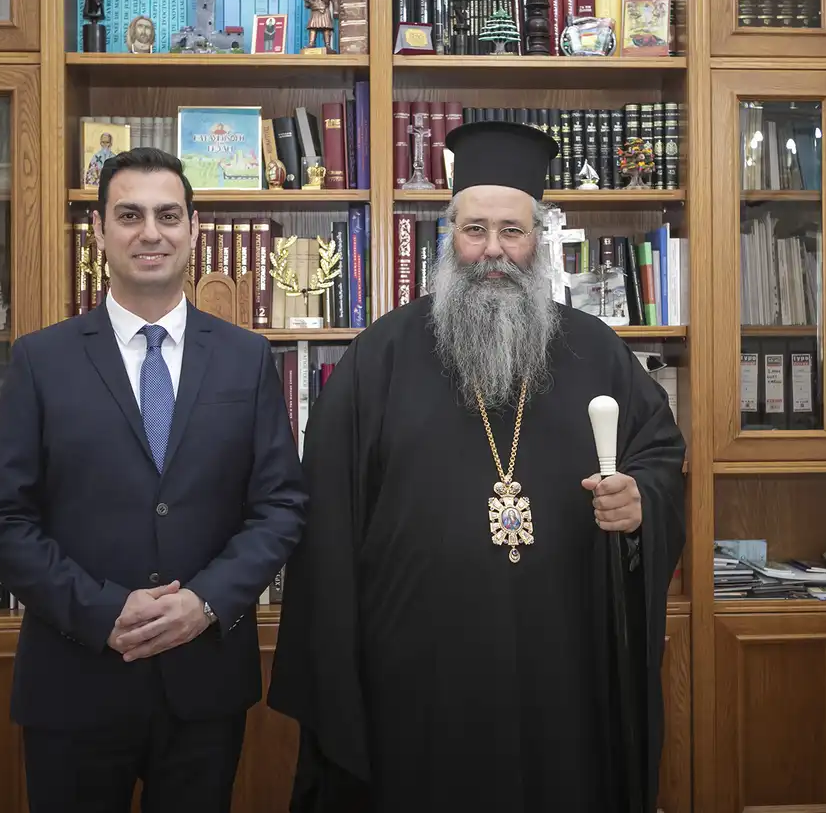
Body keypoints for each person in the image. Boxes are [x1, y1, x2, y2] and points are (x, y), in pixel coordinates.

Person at [266, 120, 686, 813]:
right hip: (415, 679)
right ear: (450, 237)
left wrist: (642, 498)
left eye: (512, 231)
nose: (493, 250)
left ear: (539, 240)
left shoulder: (594, 349)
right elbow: (327, 522)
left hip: (562, 667)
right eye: (475, 230)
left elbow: (661, 453)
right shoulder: (379, 358)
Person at [0, 147, 305, 813]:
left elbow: (281, 507)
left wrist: (204, 601)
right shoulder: (40, 360)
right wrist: (104, 611)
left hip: (204, 688)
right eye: (129, 215)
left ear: (194, 229)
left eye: (168, 215)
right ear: (98, 231)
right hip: (74, 683)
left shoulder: (246, 358)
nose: (151, 232)